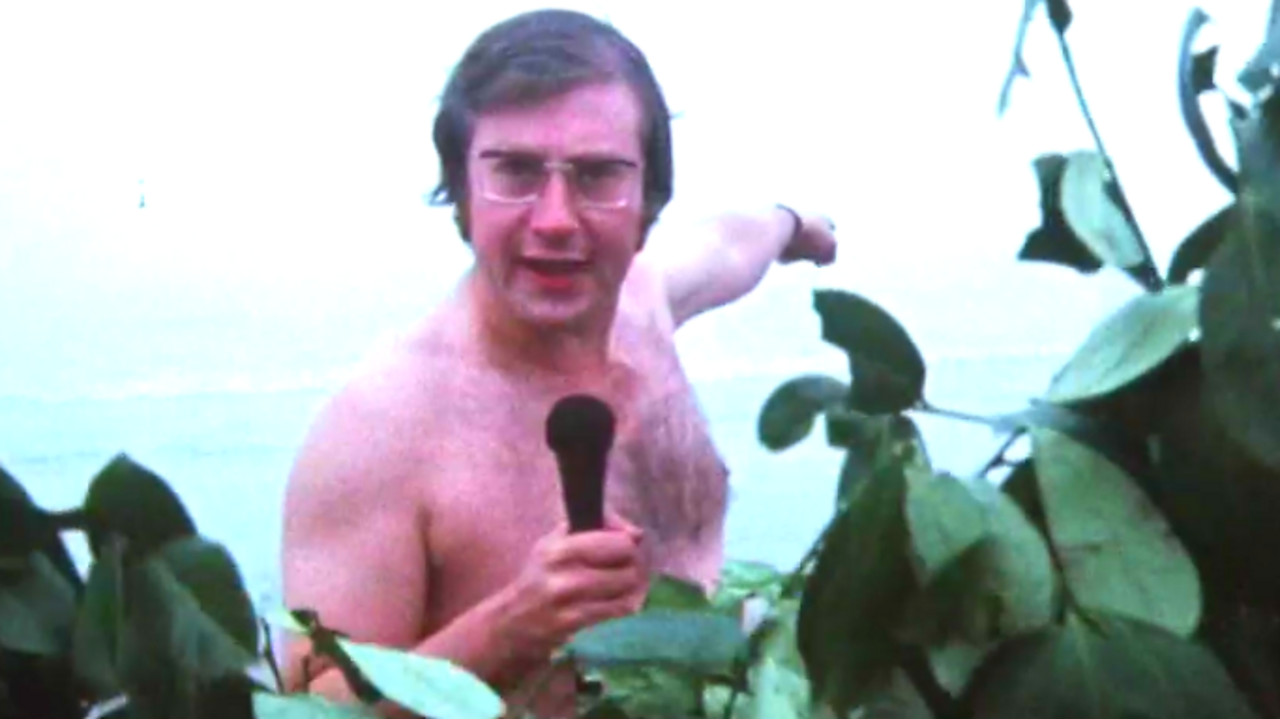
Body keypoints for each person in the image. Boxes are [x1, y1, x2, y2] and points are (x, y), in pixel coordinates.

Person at [278, 8, 837, 718]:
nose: (555, 220)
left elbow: (732, 242)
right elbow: (311, 710)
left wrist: (797, 224)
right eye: (514, 171)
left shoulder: (645, 302)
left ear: (647, 201)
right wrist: (512, 624)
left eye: (599, 175)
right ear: (461, 190)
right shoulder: (378, 430)